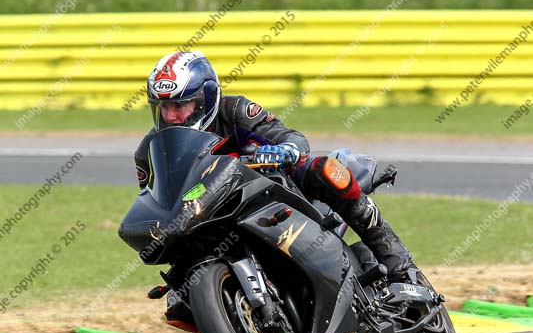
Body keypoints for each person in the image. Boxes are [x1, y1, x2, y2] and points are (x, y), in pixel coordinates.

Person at [134, 51, 412, 293]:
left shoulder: (235, 111)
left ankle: (396, 261)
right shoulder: (148, 150)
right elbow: (159, 202)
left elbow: (293, 138)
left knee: (326, 170)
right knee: (179, 299)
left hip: (273, 189)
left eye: (180, 105)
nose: (170, 116)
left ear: (204, 100)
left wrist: (285, 150)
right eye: (164, 106)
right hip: (214, 217)